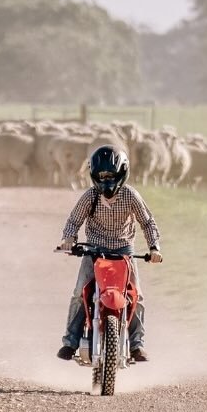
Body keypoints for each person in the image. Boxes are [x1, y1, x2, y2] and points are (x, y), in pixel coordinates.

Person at [56, 144, 162, 363]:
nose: (107, 181)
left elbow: (148, 222)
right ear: (94, 176)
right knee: (79, 293)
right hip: (94, 251)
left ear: (122, 173)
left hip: (124, 252)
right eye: (102, 176)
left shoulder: (131, 195)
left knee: (137, 297)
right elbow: (73, 221)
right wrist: (68, 239)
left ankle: (137, 345)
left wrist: (154, 248)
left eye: (111, 175)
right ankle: (70, 342)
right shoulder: (89, 196)